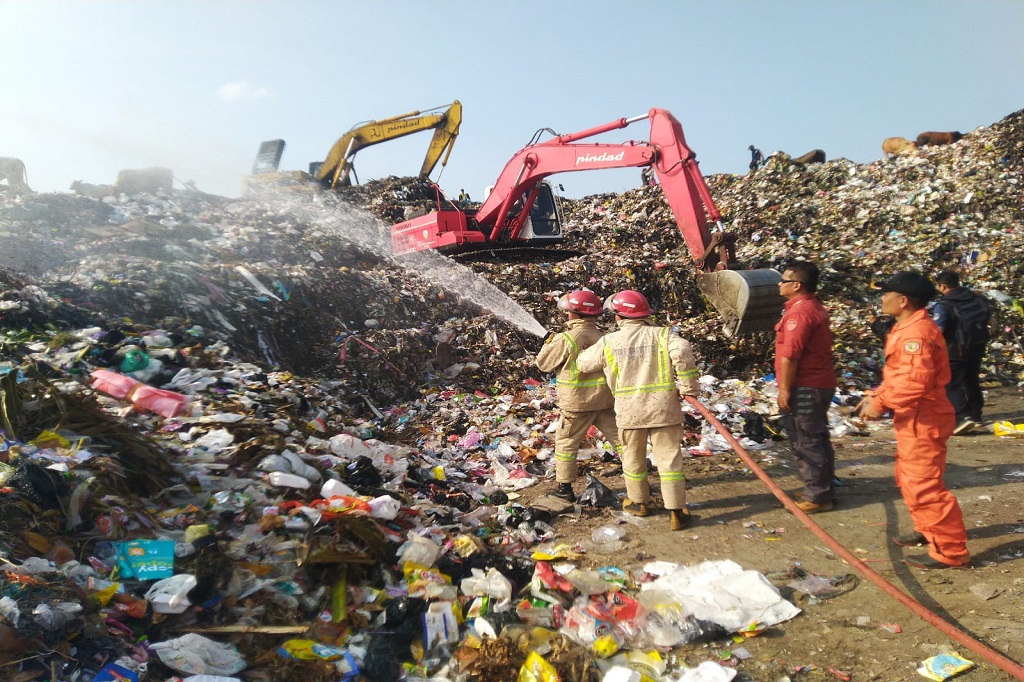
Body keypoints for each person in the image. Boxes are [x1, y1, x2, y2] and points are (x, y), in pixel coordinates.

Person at [858, 272, 970, 570]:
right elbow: (899, 375)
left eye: (886, 293)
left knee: (924, 485)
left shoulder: (915, 335)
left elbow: (914, 383)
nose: (882, 298)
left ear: (903, 300)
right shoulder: (905, 327)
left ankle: (949, 552)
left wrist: (880, 403)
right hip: (915, 417)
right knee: (909, 478)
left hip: (925, 417)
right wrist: (877, 394)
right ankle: (927, 531)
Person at [576, 290, 701, 531]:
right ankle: (676, 510)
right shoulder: (663, 336)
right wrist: (689, 388)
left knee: (632, 459)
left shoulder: (609, 341)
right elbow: (683, 351)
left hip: (629, 410)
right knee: (669, 459)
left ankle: (639, 503)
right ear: (645, 314)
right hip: (663, 408)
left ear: (617, 316)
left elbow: (584, 364)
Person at [534, 290, 622, 501]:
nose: (566, 315)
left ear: (574, 313)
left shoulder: (567, 338)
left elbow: (543, 364)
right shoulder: (605, 337)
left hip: (577, 403)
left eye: (568, 312)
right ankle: (640, 480)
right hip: (605, 400)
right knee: (622, 441)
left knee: (566, 443)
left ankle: (564, 490)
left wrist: (549, 343)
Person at [774, 261, 837, 514]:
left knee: (806, 439)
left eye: (784, 280)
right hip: (818, 383)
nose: (780, 284)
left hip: (806, 385)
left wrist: (785, 389)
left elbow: (791, 355)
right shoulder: (812, 307)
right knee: (815, 436)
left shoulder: (800, 313)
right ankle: (821, 486)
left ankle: (818, 496)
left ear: (796, 285)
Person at [932, 271, 991, 435]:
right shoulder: (976, 298)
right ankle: (976, 415)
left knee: (951, 383)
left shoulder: (944, 305)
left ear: (942, 286)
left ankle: (962, 417)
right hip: (977, 346)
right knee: (971, 380)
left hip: (955, 350)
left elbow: (938, 331)